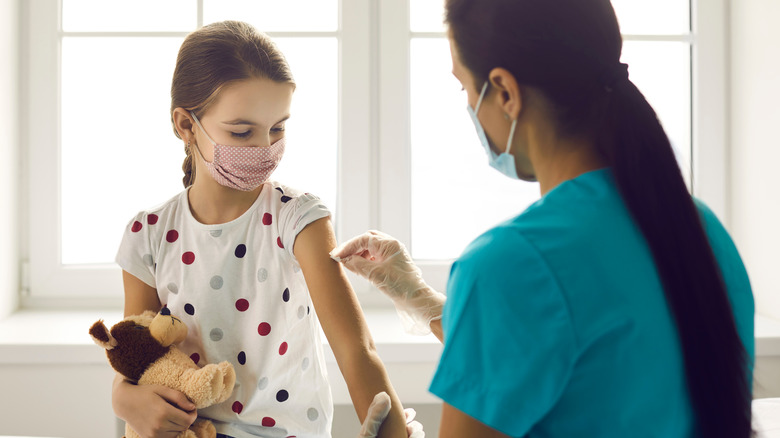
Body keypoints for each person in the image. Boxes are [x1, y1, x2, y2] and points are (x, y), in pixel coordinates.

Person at [331, 0, 755, 437]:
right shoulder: (701, 230)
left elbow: (541, 315)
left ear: (504, 91)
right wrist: (420, 298)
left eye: (464, 89)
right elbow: (586, 358)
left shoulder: (511, 262)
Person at [112, 20, 412, 438]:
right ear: (185, 124)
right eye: (242, 131)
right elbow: (136, 355)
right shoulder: (149, 234)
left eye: (278, 128)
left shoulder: (299, 218)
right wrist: (122, 398)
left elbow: (356, 351)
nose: (264, 149)